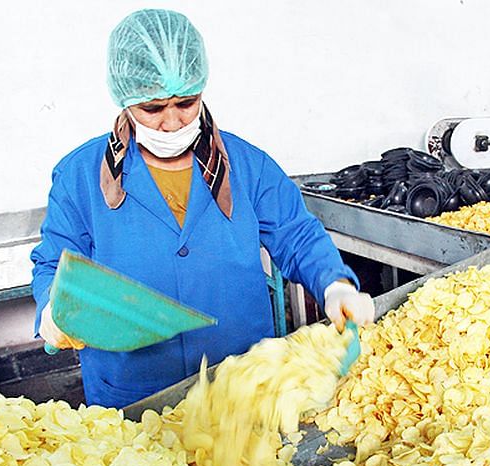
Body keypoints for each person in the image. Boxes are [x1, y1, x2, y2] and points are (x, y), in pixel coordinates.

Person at [31, 9, 374, 409]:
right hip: (133, 391)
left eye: (186, 103)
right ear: (124, 99)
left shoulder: (247, 165)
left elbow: (297, 235)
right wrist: (52, 310)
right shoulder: (81, 176)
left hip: (241, 384)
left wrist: (335, 286)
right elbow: (53, 264)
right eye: (152, 108)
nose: (172, 122)